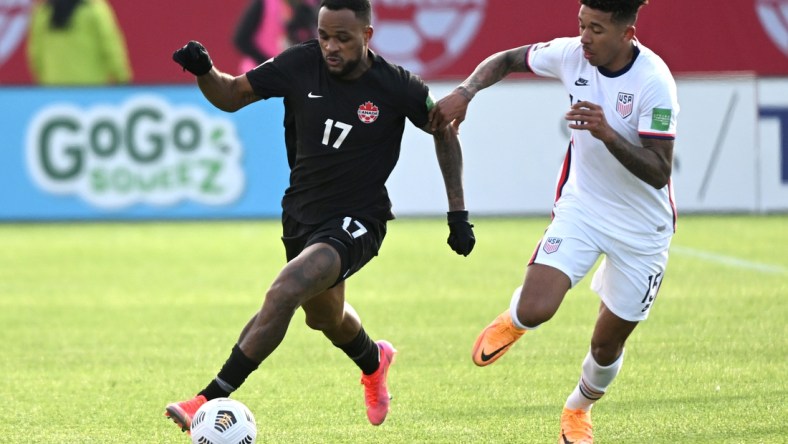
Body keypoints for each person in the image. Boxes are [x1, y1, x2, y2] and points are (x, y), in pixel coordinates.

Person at [165, 0, 476, 433]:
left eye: (343, 38)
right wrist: (204, 71)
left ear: (367, 37)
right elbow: (232, 94)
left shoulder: (396, 85)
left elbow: (443, 128)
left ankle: (208, 397)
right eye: (324, 35)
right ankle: (374, 360)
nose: (330, 46)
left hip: (359, 218)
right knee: (324, 317)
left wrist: (457, 213)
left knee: (286, 289)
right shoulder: (300, 63)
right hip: (301, 213)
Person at [429, 1, 678, 442]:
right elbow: (506, 59)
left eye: (596, 29)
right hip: (583, 209)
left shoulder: (655, 83)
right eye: (581, 25)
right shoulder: (571, 55)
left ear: (627, 33)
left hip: (643, 231)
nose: (584, 37)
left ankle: (577, 409)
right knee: (535, 308)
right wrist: (465, 93)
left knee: (606, 346)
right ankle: (515, 319)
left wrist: (606, 133)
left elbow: (659, 171)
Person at [26, 0, 132, 85]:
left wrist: (44, 81)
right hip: (90, 87)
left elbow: (35, 54)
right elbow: (110, 47)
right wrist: (122, 78)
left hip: (54, 88)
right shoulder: (94, 8)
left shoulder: (43, 12)